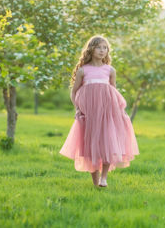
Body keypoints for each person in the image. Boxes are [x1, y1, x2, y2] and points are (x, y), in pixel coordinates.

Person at [59, 35, 139, 187]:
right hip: (90, 114)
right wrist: (78, 108)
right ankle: (96, 183)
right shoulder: (83, 70)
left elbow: (113, 91)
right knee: (91, 146)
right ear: (91, 49)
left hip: (108, 112)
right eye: (99, 47)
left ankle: (104, 178)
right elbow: (74, 91)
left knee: (108, 142)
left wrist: (119, 111)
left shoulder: (109, 70)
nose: (102, 51)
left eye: (105, 48)